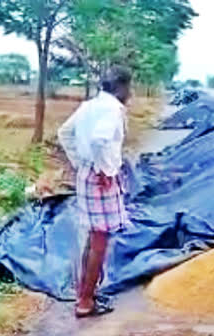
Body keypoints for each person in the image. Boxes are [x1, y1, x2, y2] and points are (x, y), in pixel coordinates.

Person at [58, 66, 132, 318]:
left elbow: (64, 133)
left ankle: (84, 293)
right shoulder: (112, 109)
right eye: (129, 88)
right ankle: (86, 301)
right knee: (100, 239)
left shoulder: (89, 106)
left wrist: (81, 163)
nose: (129, 94)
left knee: (94, 236)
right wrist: (104, 170)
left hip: (87, 174)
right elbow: (99, 141)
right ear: (121, 87)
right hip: (101, 177)